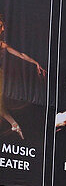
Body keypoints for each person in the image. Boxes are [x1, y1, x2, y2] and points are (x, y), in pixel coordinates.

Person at [0, 11, 45, 139]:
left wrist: (35, 62)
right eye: (0, 26)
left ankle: (14, 124)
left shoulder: (2, 44)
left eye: (3, 26)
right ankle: (14, 124)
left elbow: (21, 55)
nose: (3, 29)